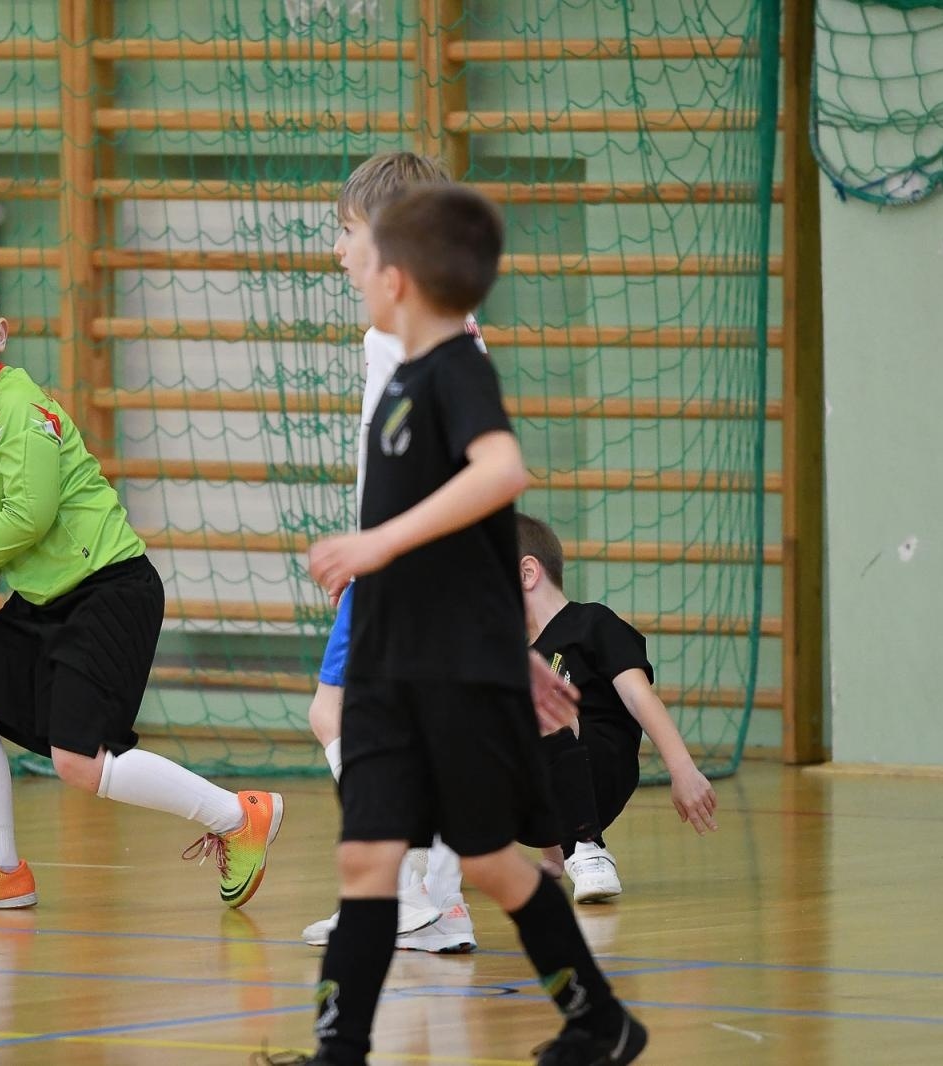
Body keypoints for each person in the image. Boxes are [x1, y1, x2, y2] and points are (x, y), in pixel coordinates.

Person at [261, 186, 646, 1066]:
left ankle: (598, 1021)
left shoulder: (456, 371)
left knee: (493, 862)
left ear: (397, 278)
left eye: (366, 260)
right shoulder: (400, 380)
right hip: (388, 668)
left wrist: (377, 543)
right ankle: (339, 1052)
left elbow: (501, 474)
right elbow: (474, 539)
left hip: (450, 679)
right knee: (366, 863)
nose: (354, 272)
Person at [0, 264, 282, 912]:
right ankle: (0, 870)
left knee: (78, 761)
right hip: (45, 599)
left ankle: (240, 817)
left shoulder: (19, 407)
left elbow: (30, 514)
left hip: (108, 589)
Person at [304, 150, 484, 954]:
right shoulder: (456, 327)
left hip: (403, 563)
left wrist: (369, 551)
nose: (339, 250)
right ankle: (437, 904)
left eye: (348, 232)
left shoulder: (396, 335)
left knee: (337, 713)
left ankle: (401, 892)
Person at [517, 513, 720, 903]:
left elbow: (639, 697)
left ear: (528, 573)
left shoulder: (591, 623)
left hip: (601, 770)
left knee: (542, 703)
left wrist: (683, 770)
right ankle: (427, 863)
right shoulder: (523, 655)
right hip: (538, 809)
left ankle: (588, 847)